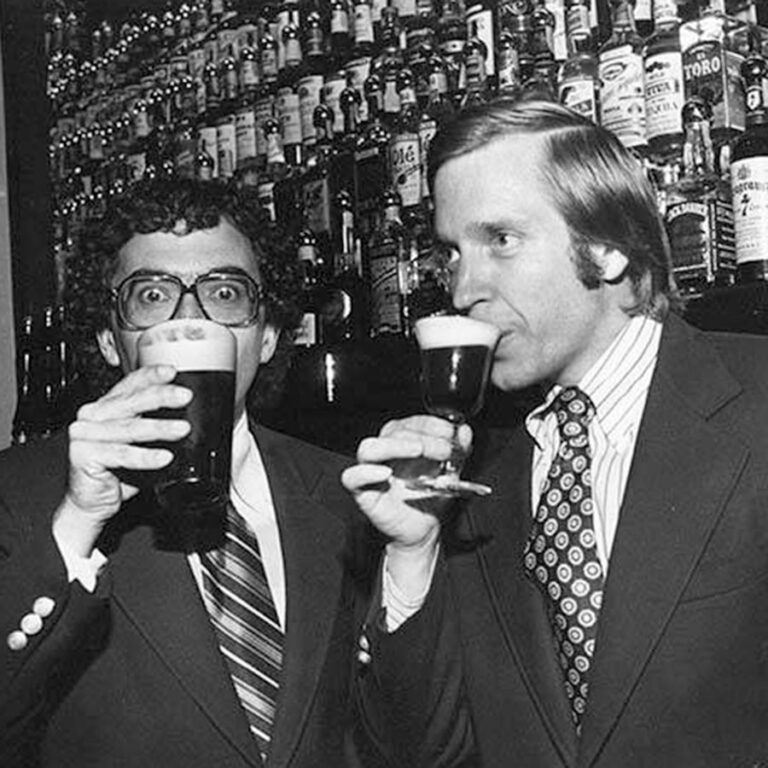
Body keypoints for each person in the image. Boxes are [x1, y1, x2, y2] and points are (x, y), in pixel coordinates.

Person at [342, 98, 768, 767]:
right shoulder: (479, 479)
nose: (462, 290)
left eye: (500, 241)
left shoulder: (756, 406)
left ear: (606, 250)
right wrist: (412, 553)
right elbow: (422, 752)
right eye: (453, 253)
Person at [0, 177, 378, 767]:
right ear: (107, 339)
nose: (189, 321)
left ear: (270, 333)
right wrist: (77, 524)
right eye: (152, 296)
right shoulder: (21, 496)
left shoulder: (351, 494)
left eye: (224, 293)